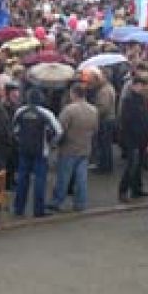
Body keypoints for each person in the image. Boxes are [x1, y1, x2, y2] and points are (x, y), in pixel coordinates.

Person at [12, 88, 62, 218]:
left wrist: (20, 141)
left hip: (24, 149)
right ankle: (38, 210)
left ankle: (18, 208)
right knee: (40, 181)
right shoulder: (46, 113)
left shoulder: (20, 111)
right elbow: (58, 131)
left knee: (22, 179)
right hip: (41, 150)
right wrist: (51, 143)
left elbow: (14, 129)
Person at [48, 83, 98, 212]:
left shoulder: (69, 110)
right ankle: (80, 203)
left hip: (68, 148)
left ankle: (57, 201)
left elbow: (60, 129)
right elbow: (95, 128)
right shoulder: (93, 110)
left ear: (73, 93)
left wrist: (54, 144)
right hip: (85, 147)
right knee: (81, 178)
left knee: (63, 177)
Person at [117, 76, 148, 203]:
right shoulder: (129, 100)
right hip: (132, 138)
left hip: (142, 137)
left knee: (138, 165)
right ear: (133, 86)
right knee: (131, 165)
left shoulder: (141, 99)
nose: (141, 88)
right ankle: (123, 191)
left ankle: (137, 189)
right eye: (139, 85)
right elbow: (126, 120)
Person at [88, 68, 117, 174]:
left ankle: (104, 167)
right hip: (109, 119)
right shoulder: (107, 88)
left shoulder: (105, 90)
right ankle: (105, 165)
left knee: (104, 145)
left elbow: (103, 107)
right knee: (105, 144)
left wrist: (94, 111)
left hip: (106, 121)